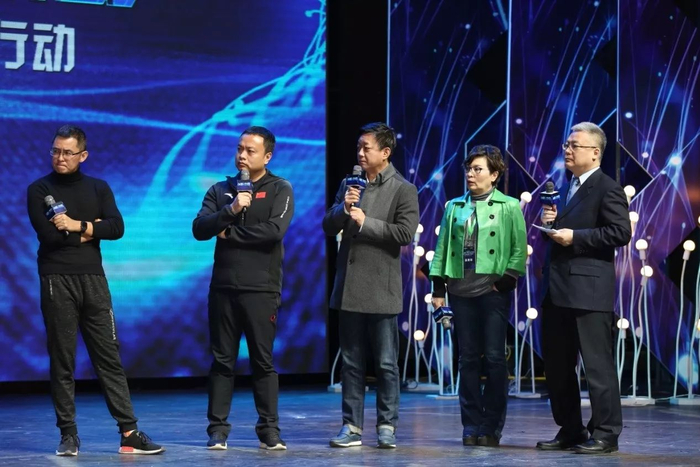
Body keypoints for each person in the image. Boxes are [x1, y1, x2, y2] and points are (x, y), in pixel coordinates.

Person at [26, 125, 165, 457]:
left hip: (94, 279)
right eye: (55, 151)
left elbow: (117, 227)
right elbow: (50, 237)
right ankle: (68, 434)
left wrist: (77, 226)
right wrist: (94, 230)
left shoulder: (98, 187)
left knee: (108, 356)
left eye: (67, 152)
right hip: (56, 278)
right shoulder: (39, 189)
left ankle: (129, 433)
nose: (60, 157)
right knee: (63, 358)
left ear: (83, 155)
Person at [192, 126, 293, 451]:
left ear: (267, 156)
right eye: (239, 149)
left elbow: (273, 231)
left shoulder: (280, 188)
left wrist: (229, 233)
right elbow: (199, 228)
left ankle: (269, 430)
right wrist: (231, 210)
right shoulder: (221, 190)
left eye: (250, 151)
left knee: (263, 362)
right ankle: (217, 430)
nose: (242, 156)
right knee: (222, 362)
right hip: (223, 288)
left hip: (262, 289)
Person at [323, 122, 419, 449]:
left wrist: (366, 222)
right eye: (359, 147)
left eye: (367, 147)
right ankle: (351, 426)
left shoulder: (403, 188)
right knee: (351, 362)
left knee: (386, 363)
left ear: (385, 152)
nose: (360, 153)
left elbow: (404, 233)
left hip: (381, 287)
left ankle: (387, 426)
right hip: (349, 285)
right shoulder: (349, 184)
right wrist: (345, 209)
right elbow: (328, 224)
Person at [537, 122, 630, 454]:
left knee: (597, 367)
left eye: (574, 145)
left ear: (595, 152)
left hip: (589, 292)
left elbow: (620, 232)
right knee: (558, 367)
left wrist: (575, 237)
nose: (567, 150)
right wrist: (550, 225)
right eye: (566, 144)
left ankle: (605, 433)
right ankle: (571, 428)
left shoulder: (607, 188)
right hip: (557, 289)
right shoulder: (565, 188)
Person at [429, 145, 527, 447]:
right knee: (468, 359)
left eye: (478, 169)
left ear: (494, 175)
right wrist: (438, 289)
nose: (471, 175)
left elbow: (518, 248)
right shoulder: (454, 206)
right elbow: (442, 248)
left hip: (492, 291)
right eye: (468, 169)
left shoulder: (509, 206)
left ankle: (491, 426)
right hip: (460, 291)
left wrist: (506, 281)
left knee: (495, 358)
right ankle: (470, 425)